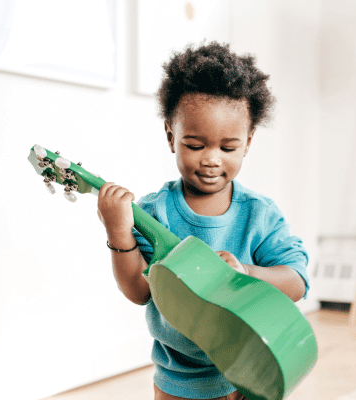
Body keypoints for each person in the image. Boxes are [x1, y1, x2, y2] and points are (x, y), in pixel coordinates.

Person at [96, 42, 310, 400]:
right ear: (171, 136)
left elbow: (297, 282)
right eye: (195, 145)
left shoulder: (259, 214)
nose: (211, 159)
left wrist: (245, 274)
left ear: (248, 142)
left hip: (250, 368)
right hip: (177, 377)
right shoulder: (153, 213)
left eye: (227, 148)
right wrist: (118, 231)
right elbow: (138, 291)